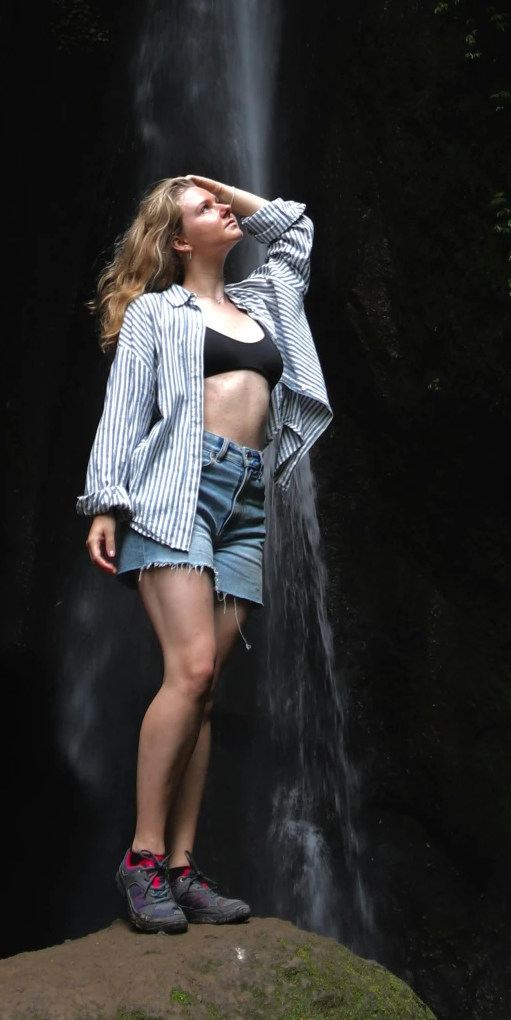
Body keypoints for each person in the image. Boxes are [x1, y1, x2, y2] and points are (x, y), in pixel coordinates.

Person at [79, 174, 332, 933]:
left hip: (251, 503)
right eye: (202, 209)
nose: (223, 209)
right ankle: (142, 858)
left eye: (221, 203)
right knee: (187, 669)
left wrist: (214, 184)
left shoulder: (262, 303)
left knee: (208, 687)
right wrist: (104, 501)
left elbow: (294, 230)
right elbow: (124, 403)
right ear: (178, 242)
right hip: (176, 489)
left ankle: (183, 868)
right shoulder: (159, 311)